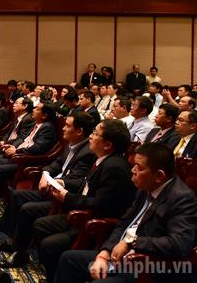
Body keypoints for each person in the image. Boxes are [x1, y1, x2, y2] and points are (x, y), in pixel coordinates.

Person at [54, 144, 197, 283]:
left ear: (159, 175)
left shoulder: (182, 199)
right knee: (69, 259)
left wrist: (132, 242)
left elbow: (179, 244)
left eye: (139, 167)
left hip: (147, 267)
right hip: (120, 256)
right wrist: (105, 253)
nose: (132, 170)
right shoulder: (146, 186)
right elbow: (124, 223)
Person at [34, 119, 137, 281]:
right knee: (40, 224)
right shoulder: (103, 159)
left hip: (92, 223)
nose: (90, 136)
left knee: (50, 244)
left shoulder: (114, 167)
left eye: (95, 133)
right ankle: (51, 273)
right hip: (82, 213)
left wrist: (66, 197)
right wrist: (63, 183)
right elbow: (87, 184)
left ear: (107, 145)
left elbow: (99, 204)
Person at [0, 112, 96, 267]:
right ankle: (11, 241)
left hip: (61, 196)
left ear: (79, 131)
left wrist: (54, 182)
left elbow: (76, 179)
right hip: (50, 188)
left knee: (27, 209)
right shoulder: (71, 143)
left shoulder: (88, 152)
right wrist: (45, 174)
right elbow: (56, 163)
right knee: (17, 195)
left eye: (67, 126)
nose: (63, 128)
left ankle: (20, 253)